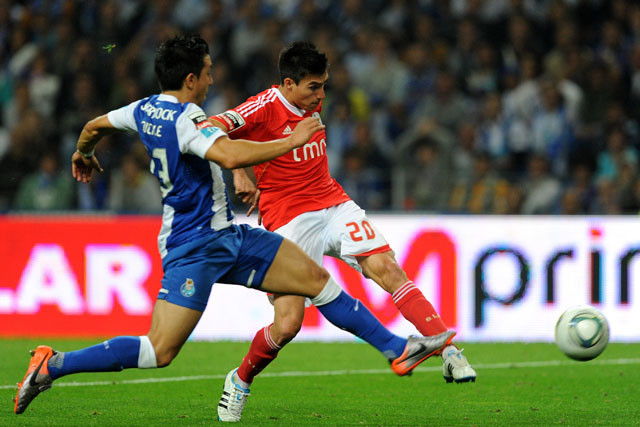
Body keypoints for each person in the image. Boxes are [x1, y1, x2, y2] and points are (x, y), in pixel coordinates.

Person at [14, 34, 456, 418]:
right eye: (206, 74)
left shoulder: (143, 108)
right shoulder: (187, 120)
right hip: (193, 248)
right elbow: (228, 156)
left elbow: (94, 125)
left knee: (318, 281)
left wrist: (82, 153)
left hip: (231, 235)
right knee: (158, 352)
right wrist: (292, 140)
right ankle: (53, 364)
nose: (210, 81)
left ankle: (397, 350)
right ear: (190, 80)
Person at [209, 41, 476, 422]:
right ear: (287, 84)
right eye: (314, 86)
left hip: (333, 202)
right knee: (288, 325)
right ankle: (240, 379)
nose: (321, 94)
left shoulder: (309, 101)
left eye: (323, 85)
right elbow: (215, 128)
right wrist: (237, 170)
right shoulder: (263, 106)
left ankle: (450, 353)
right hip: (287, 217)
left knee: (387, 267)